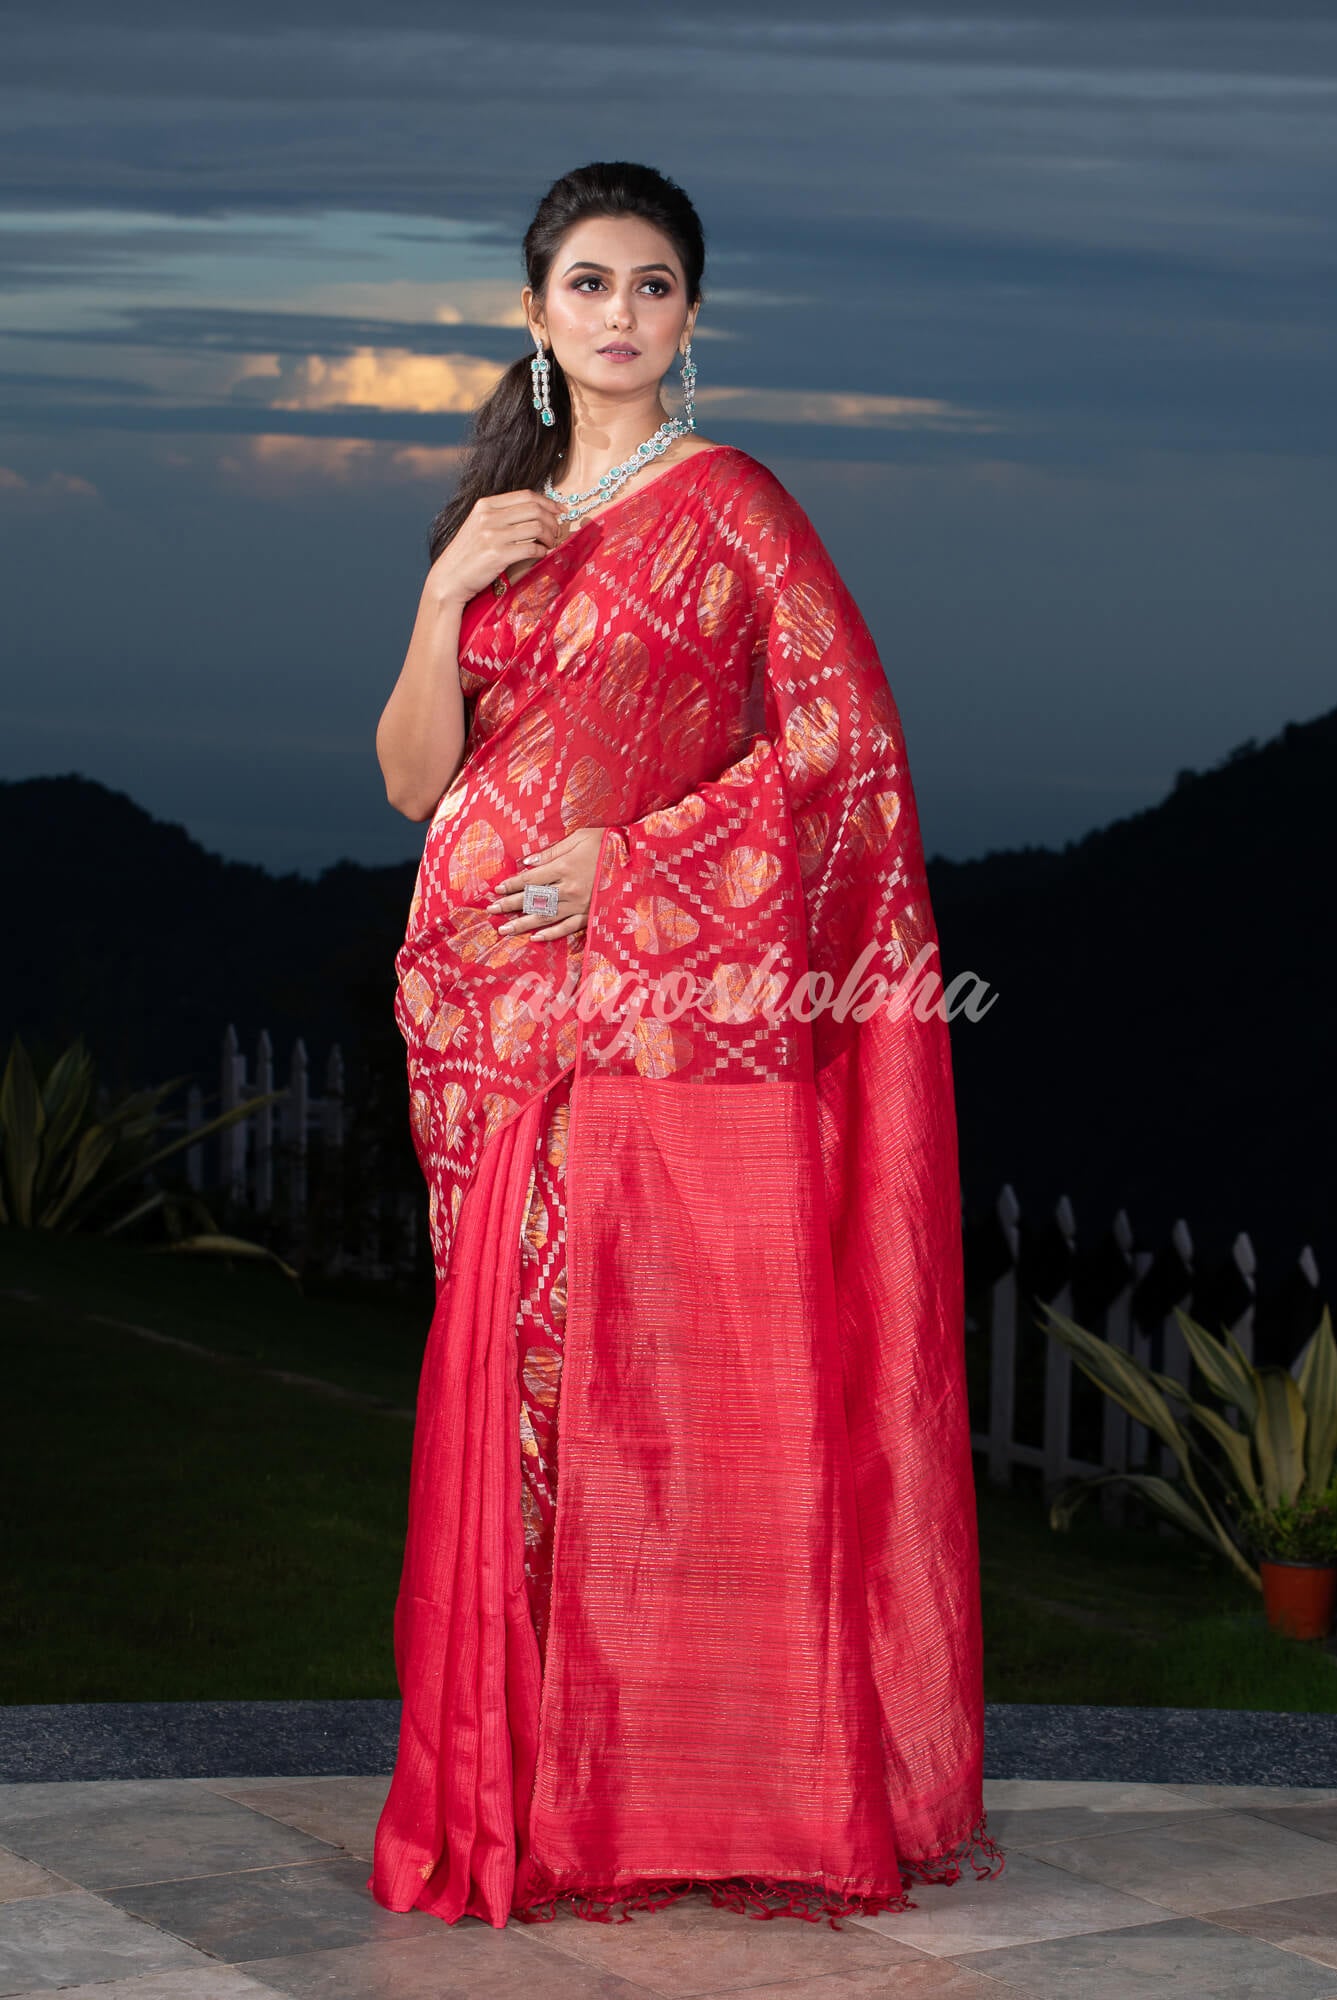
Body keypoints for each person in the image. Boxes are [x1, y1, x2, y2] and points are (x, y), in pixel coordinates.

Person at [368, 159, 1001, 1931]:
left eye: (652, 285)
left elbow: (846, 747)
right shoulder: (499, 520)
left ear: (693, 317)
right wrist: (439, 600)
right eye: (589, 283)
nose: (621, 313)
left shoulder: (732, 506)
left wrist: (630, 865)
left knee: (621, 1396)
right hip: (472, 1011)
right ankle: (520, 1783)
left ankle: (637, 1789)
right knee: (513, 1394)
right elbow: (416, 783)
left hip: (638, 1009)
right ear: (535, 312)